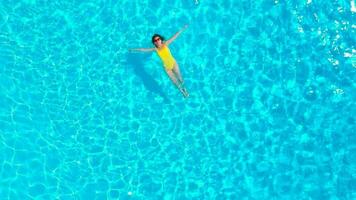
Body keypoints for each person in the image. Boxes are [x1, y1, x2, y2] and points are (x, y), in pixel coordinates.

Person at [129, 25, 189, 98]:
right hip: (167, 68)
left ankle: (185, 88)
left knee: (179, 77)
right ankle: (181, 91)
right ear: (154, 43)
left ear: (161, 39)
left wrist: (183, 28)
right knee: (174, 82)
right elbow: (143, 50)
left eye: (158, 39)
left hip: (173, 63)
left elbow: (175, 36)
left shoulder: (166, 44)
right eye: (155, 40)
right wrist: (133, 50)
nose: (157, 41)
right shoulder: (155, 49)